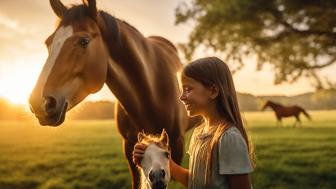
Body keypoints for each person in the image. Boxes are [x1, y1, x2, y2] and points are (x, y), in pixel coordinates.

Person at [133, 57, 255, 188]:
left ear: (213, 91)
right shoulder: (199, 134)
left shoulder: (229, 138)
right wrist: (154, 155)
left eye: (187, 89)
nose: (181, 97)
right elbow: (196, 182)